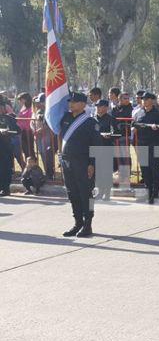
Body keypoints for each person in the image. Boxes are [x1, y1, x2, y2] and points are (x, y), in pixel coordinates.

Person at [59, 92, 102, 236]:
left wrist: (92, 164)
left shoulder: (90, 122)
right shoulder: (65, 118)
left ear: (83, 104)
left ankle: (88, 224)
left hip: (83, 163)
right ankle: (78, 223)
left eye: (74, 102)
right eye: (70, 101)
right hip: (67, 161)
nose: (71, 104)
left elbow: (96, 145)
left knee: (86, 194)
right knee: (72, 193)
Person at [132, 92, 159, 204]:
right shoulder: (139, 112)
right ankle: (148, 191)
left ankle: (155, 193)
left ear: (152, 100)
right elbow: (134, 123)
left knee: (154, 169)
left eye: (146, 99)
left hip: (154, 144)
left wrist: (156, 127)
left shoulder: (158, 113)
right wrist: (135, 128)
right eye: (142, 99)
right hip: (142, 144)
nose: (144, 101)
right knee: (145, 169)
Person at [94, 99, 120, 200]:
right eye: (97, 106)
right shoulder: (92, 119)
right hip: (95, 148)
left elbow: (118, 133)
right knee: (97, 171)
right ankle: (99, 191)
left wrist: (110, 135)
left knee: (106, 171)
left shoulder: (111, 119)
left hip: (107, 147)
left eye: (100, 106)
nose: (97, 108)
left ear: (105, 107)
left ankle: (107, 193)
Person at [31, 93, 55, 180]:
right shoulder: (37, 111)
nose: (39, 104)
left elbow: (49, 124)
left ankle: (50, 173)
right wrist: (35, 130)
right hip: (38, 135)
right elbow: (32, 122)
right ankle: (46, 171)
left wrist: (41, 130)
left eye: (41, 102)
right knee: (41, 153)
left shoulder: (50, 111)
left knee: (47, 153)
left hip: (47, 134)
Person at [16, 93, 34, 160]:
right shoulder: (23, 107)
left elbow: (29, 121)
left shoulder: (30, 108)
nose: (19, 101)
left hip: (28, 132)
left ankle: (33, 166)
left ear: (25, 99)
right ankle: (28, 165)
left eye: (21, 99)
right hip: (22, 131)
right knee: (25, 151)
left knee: (30, 150)